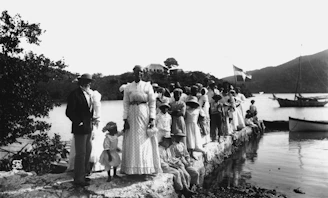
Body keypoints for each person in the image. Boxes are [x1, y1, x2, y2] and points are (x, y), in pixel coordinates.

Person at [121, 65, 161, 175]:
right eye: (136, 72)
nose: (138, 74)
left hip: (144, 113)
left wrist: (152, 118)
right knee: (132, 139)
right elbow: (125, 104)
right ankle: (132, 168)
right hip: (132, 114)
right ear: (133, 73)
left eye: (140, 72)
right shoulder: (128, 87)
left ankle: (145, 167)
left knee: (144, 138)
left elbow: (152, 103)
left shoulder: (147, 86)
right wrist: (125, 119)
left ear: (142, 74)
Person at [66, 73, 94, 186]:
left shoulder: (90, 94)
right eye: (86, 81)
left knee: (88, 152)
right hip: (80, 128)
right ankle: (78, 179)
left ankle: (84, 175)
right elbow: (69, 112)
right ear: (81, 82)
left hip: (89, 127)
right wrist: (78, 122)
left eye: (89, 81)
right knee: (80, 154)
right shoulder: (74, 94)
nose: (88, 83)